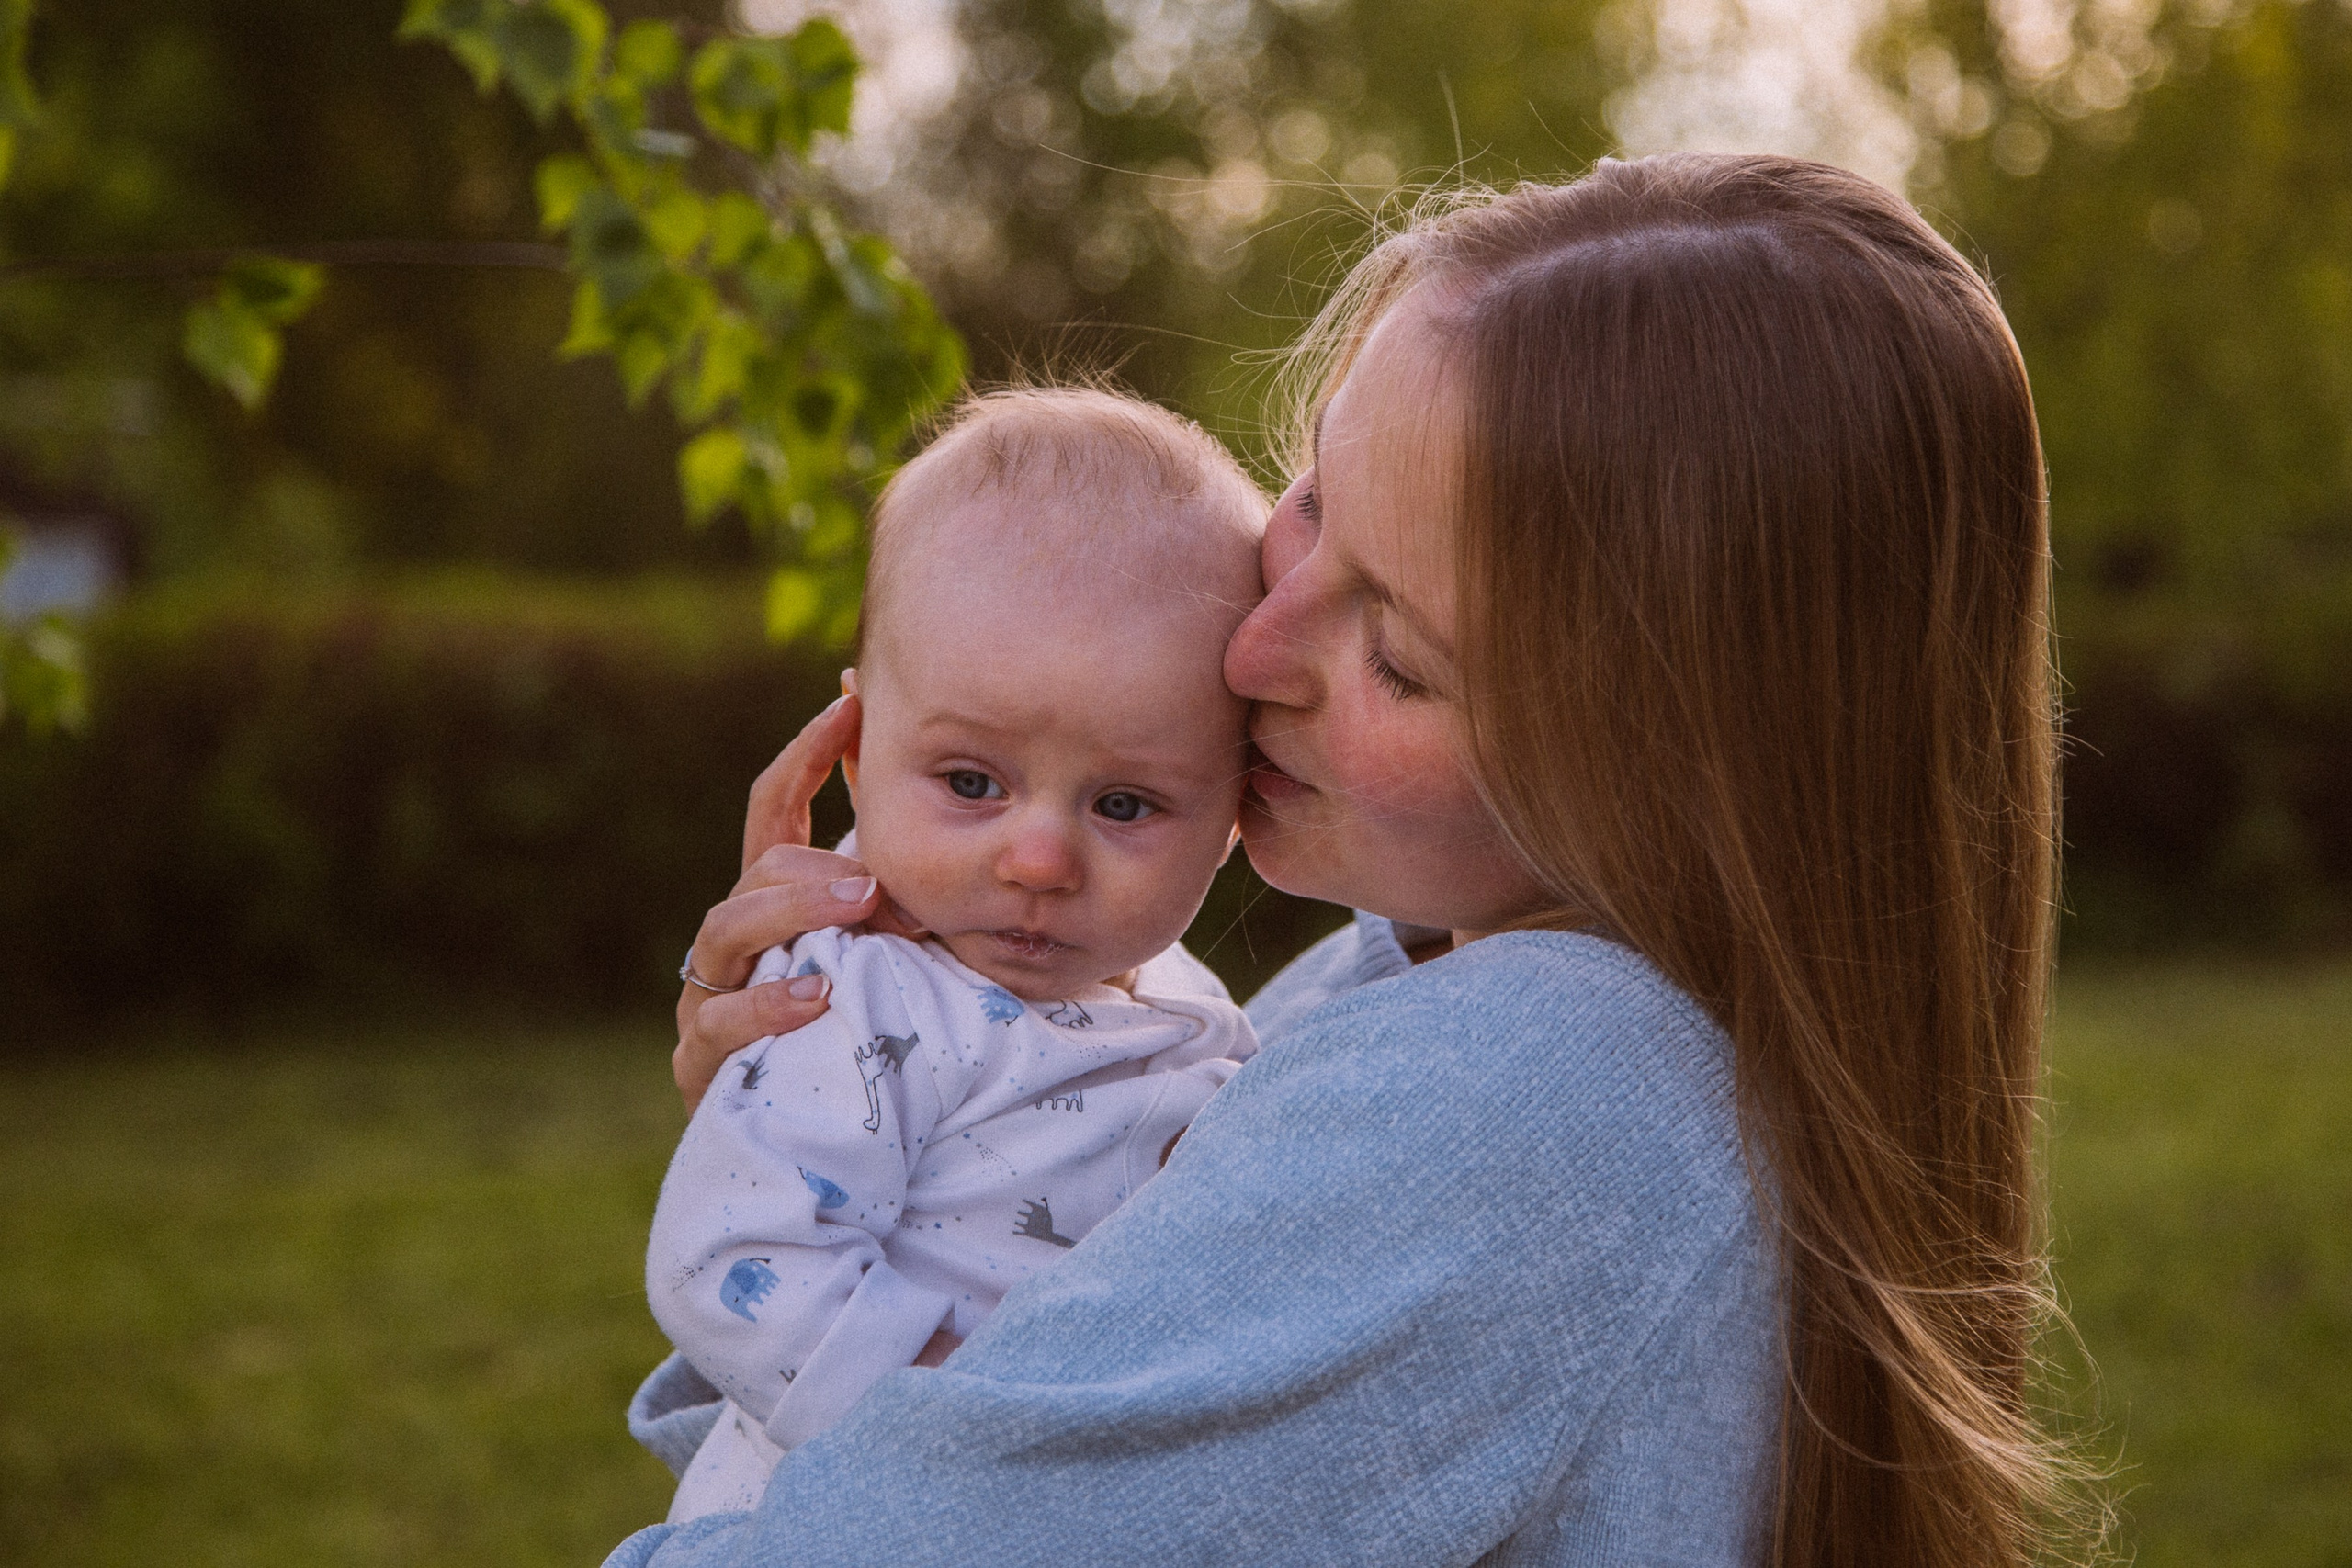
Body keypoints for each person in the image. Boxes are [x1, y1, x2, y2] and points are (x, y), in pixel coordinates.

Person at [614, 153, 2086, 1568]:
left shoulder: (1522, 1092)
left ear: (1674, 760)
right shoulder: (1372, 987)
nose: (1251, 649)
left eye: (1393, 651)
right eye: (1310, 502)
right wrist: (825, 1113)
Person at [647, 389, 1266, 1522]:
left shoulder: (1189, 1007)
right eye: (971, 783)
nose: (1038, 857)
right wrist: (966, 1416)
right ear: (854, 747)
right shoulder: (855, 994)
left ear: (1235, 815)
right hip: (858, 1517)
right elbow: (734, 1263)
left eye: (1124, 803)